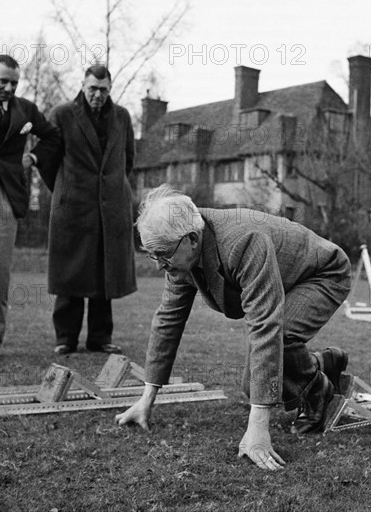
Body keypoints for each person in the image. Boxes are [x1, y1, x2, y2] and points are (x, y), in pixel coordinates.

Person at [115, 185, 351, 470]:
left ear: (191, 239)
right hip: (287, 281)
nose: (158, 265)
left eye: (162, 254)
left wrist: (258, 429)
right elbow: (168, 319)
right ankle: (321, 364)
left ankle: (318, 393)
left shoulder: (242, 240)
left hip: (322, 274)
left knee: (281, 337)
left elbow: (266, 326)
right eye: (153, 255)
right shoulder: (181, 253)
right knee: (254, 387)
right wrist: (146, 399)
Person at [0, 54, 61, 361]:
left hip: (6, 193)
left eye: (14, 83)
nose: (8, 87)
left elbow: (53, 137)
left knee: (0, 272)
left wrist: (32, 158)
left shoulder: (26, 110)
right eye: (3, 81)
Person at [38, 65, 136, 355]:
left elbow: (127, 159)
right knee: (70, 274)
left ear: (110, 89)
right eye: (93, 88)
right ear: (83, 85)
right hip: (72, 207)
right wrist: (65, 190)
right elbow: (47, 162)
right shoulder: (62, 114)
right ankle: (65, 338)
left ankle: (99, 338)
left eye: (104, 89)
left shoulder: (122, 117)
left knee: (104, 276)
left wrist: (111, 188)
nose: (98, 94)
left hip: (110, 208)